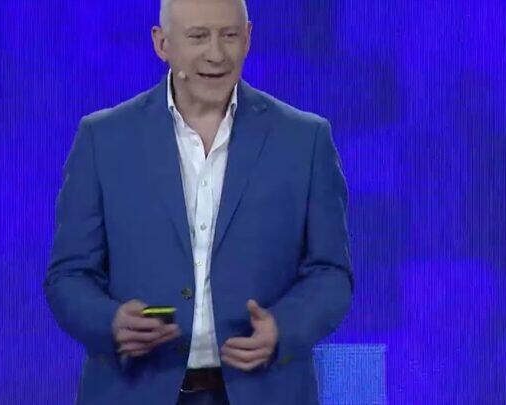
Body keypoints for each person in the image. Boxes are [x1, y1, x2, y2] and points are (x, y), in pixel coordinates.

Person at [44, 0, 353, 403]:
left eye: (229, 35)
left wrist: (283, 328)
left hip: (265, 390)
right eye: (198, 37)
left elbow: (331, 273)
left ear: (248, 38)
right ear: (162, 44)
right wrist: (111, 322)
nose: (216, 53)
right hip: (135, 389)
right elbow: (68, 275)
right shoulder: (103, 139)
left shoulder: (304, 140)